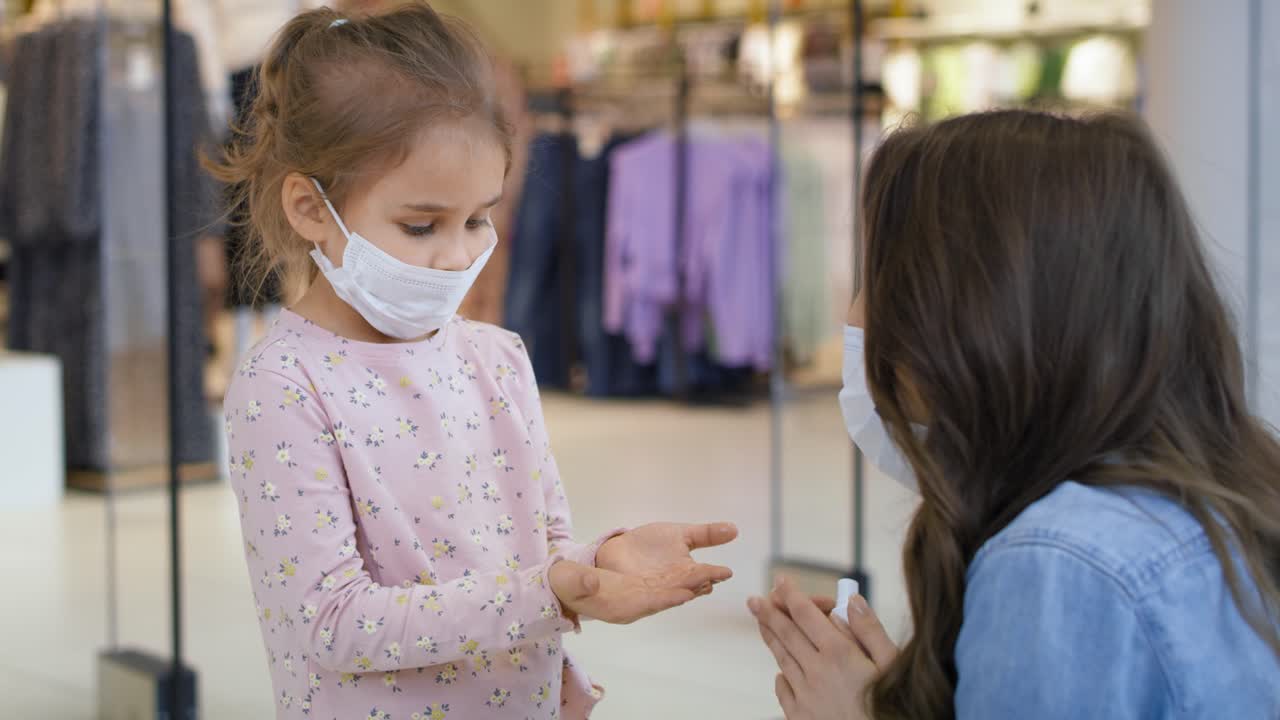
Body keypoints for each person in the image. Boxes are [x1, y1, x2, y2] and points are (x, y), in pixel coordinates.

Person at [205, 5, 738, 718]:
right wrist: (547, 591)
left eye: (479, 218)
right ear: (309, 207)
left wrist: (595, 561)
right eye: (421, 225)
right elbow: (332, 622)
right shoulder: (284, 387)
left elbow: (535, 555)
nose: (458, 255)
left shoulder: (498, 357)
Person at [749, 110, 1280, 719]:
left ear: (963, 315)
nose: (857, 316)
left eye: (875, 281)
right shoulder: (1221, 500)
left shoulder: (1055, 562)